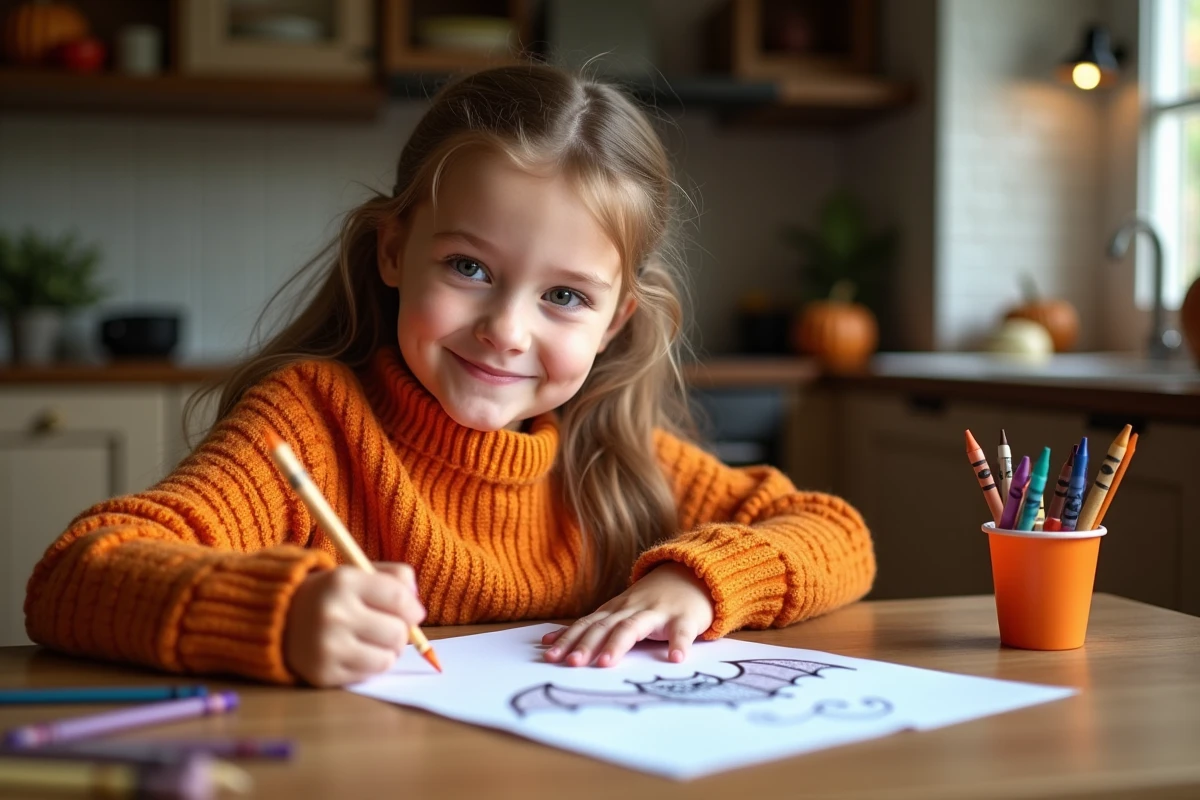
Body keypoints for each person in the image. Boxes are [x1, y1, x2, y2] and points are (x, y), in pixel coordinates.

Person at [24, 65, 875, 687]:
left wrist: (697, 578)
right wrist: (276, 618)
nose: (507, 330)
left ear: (616, 321)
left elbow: (838, 534)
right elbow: (77, 574)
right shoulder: (309, 424)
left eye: (566, 296)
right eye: (469, 268)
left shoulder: (610, 458)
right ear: (393, 250)